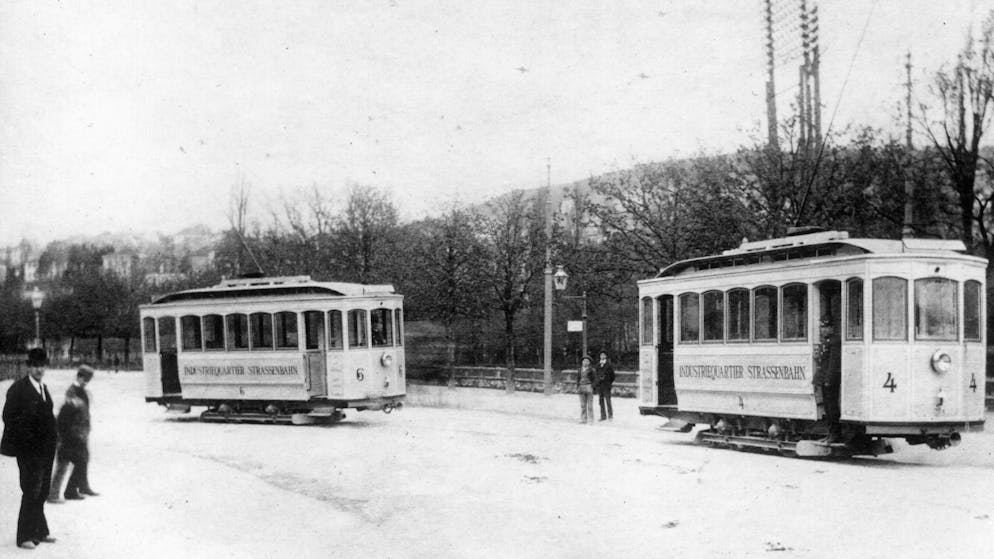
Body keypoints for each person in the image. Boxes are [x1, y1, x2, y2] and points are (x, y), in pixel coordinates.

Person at [1, 348, 58, 550]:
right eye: (35, 366)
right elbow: (8, 416)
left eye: (42, 366)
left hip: (46, 450)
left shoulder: (43, 388)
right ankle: (24, 535)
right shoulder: (18, 389)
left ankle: (39, 531)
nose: (38, 369)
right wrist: (27, 439)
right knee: (31, 490)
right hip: (29, 450)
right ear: (28, 366)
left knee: (42, 491)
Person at [49, 365, 98, 503]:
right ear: (79, 376)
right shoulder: (72, 392)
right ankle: (69, 491)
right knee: (72, 461)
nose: (86, 382)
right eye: (85, 379)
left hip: (80, 432)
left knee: (83, 459)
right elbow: (66, 414)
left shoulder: (82, 391)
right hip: (73, 433)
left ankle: (80, 486)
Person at [815, 318, 842, 440]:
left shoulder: (834, 341)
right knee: (827, 406)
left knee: (832, 407)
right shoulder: (826, 341)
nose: (823, 330)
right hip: (824, 378)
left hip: (830, 379)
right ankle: (831, 433)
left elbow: (833, 362)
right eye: (822, 328)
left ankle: (835, 433)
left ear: (832, 328)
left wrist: (828, 379)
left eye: (826, 327)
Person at [594, 352, 616, 421]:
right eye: (601, 355)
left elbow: (613, 375)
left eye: (603, 355)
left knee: (608, 400)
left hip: (606, 385)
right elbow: (596, 374)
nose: (602, 356)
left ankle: (610, 416)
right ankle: (603, 416)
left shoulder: (609, 365)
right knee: (601, 401)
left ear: (606, 356)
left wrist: (608, 382)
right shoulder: (598, 365)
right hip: (600, 385)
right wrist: (598, 381)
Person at [575, 356, 595, 424]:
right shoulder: (579, 370)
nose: (585, 362)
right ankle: (583, 419)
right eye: (584, 361)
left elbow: (594, 379)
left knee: (590, 405)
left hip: (589, 386)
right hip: (581, 387)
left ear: (589, 363)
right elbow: (578, 379)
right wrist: (578, 386)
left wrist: (592, 387)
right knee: (583, 405)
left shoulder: (592, 370)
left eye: (587, 361)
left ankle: (591, 419)